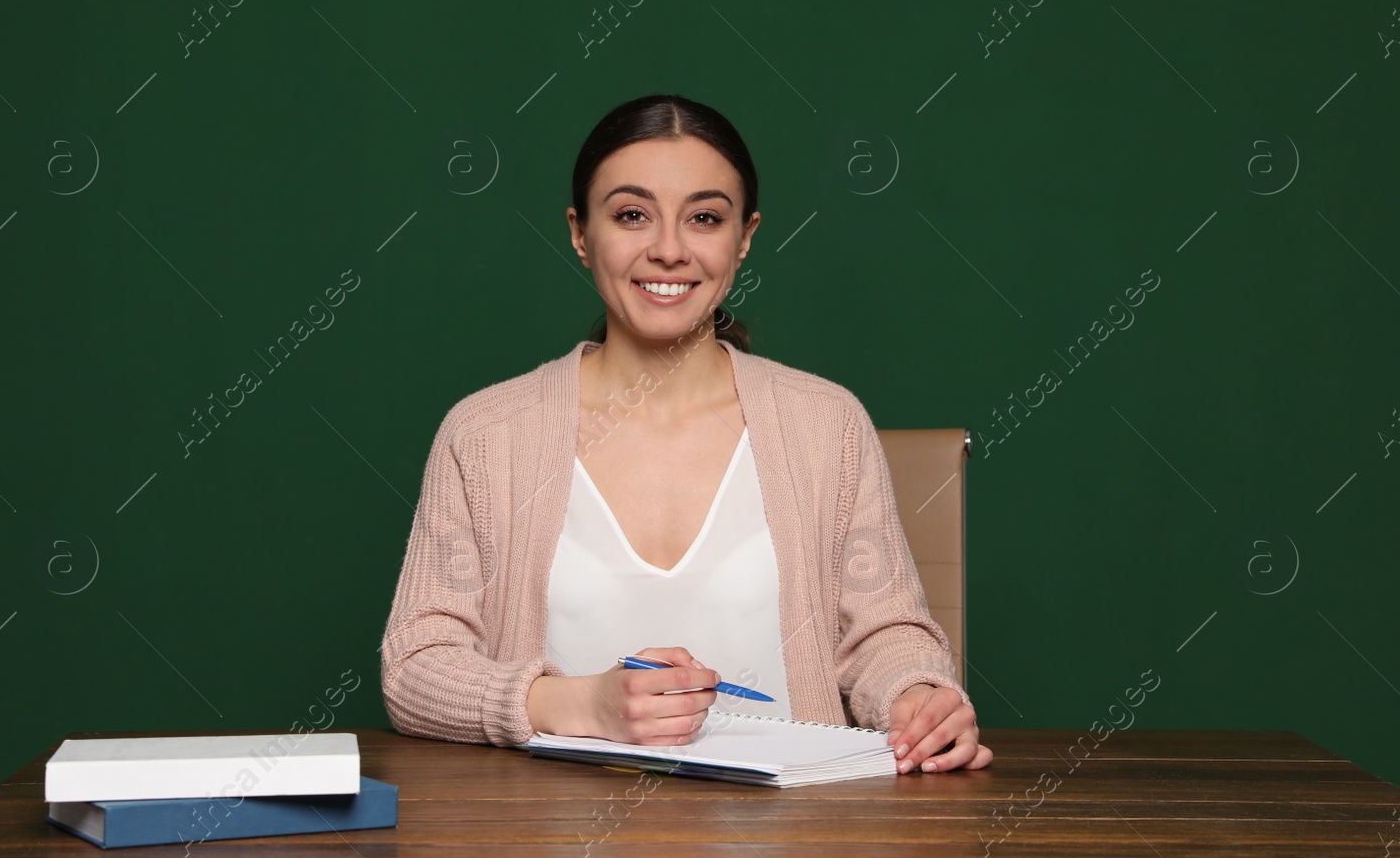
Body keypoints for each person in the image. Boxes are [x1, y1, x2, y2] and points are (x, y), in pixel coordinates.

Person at [379, 94, 993, 776]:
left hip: (793, 851)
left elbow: (886, 636)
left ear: (745, 237)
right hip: (550, 855)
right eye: (632, 214)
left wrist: (918, 695)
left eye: (704, 217)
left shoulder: (828, 424)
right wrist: (578, 703)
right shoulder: (486, 434)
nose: (668, 249)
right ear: (581, 232)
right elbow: (415, 668)